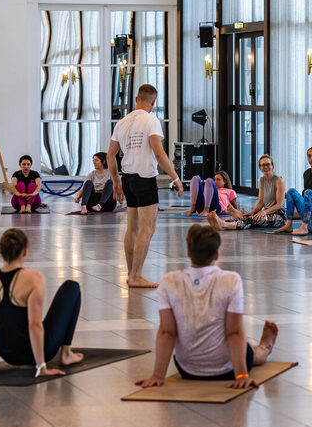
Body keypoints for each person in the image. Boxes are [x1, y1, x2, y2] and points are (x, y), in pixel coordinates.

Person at [136, 225, 279, 389]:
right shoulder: (231, 280)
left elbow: (167, 332)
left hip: (187, 369)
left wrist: (158, 375)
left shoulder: (169, 282)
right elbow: (234, 332)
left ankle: (260, 348)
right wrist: (241, 375)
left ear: (188, 253)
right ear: (217, 254)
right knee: (251, 352)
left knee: (240, 345)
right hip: (227, 368)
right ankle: (264, 348)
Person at [0, 228, 83, 374]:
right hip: (39, 350)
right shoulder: (34, 278)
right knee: (72, 287)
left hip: (6, 352)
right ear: (24, 251)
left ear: (0, 250)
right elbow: (34, 325)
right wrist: (41, 368)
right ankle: (66, 354)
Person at [107, 84, 184, 289]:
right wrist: (176, 178)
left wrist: (116, 181)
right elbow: (159, 154)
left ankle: (132, 273)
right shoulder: (151, 121)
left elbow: (110, 156)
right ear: (153, 102)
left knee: (132, 228)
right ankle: (136, 275)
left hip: (128, 178)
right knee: (147, 229)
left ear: (135, 99)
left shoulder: (121, 122)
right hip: (145, 179)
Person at [207, 155, 287, 231]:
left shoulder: (278, 181)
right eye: (263, 165)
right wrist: (251, 213)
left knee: (252, 220)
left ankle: (224, 225)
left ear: (272, 166)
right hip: (266, 212)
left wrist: (263, 212)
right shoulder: (261, 181)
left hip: (278, 216)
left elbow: (279, 205)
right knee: (250, 218)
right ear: (260, 168)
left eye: (268, 164)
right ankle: (220, 223)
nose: (265, 167)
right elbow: (260, 202)